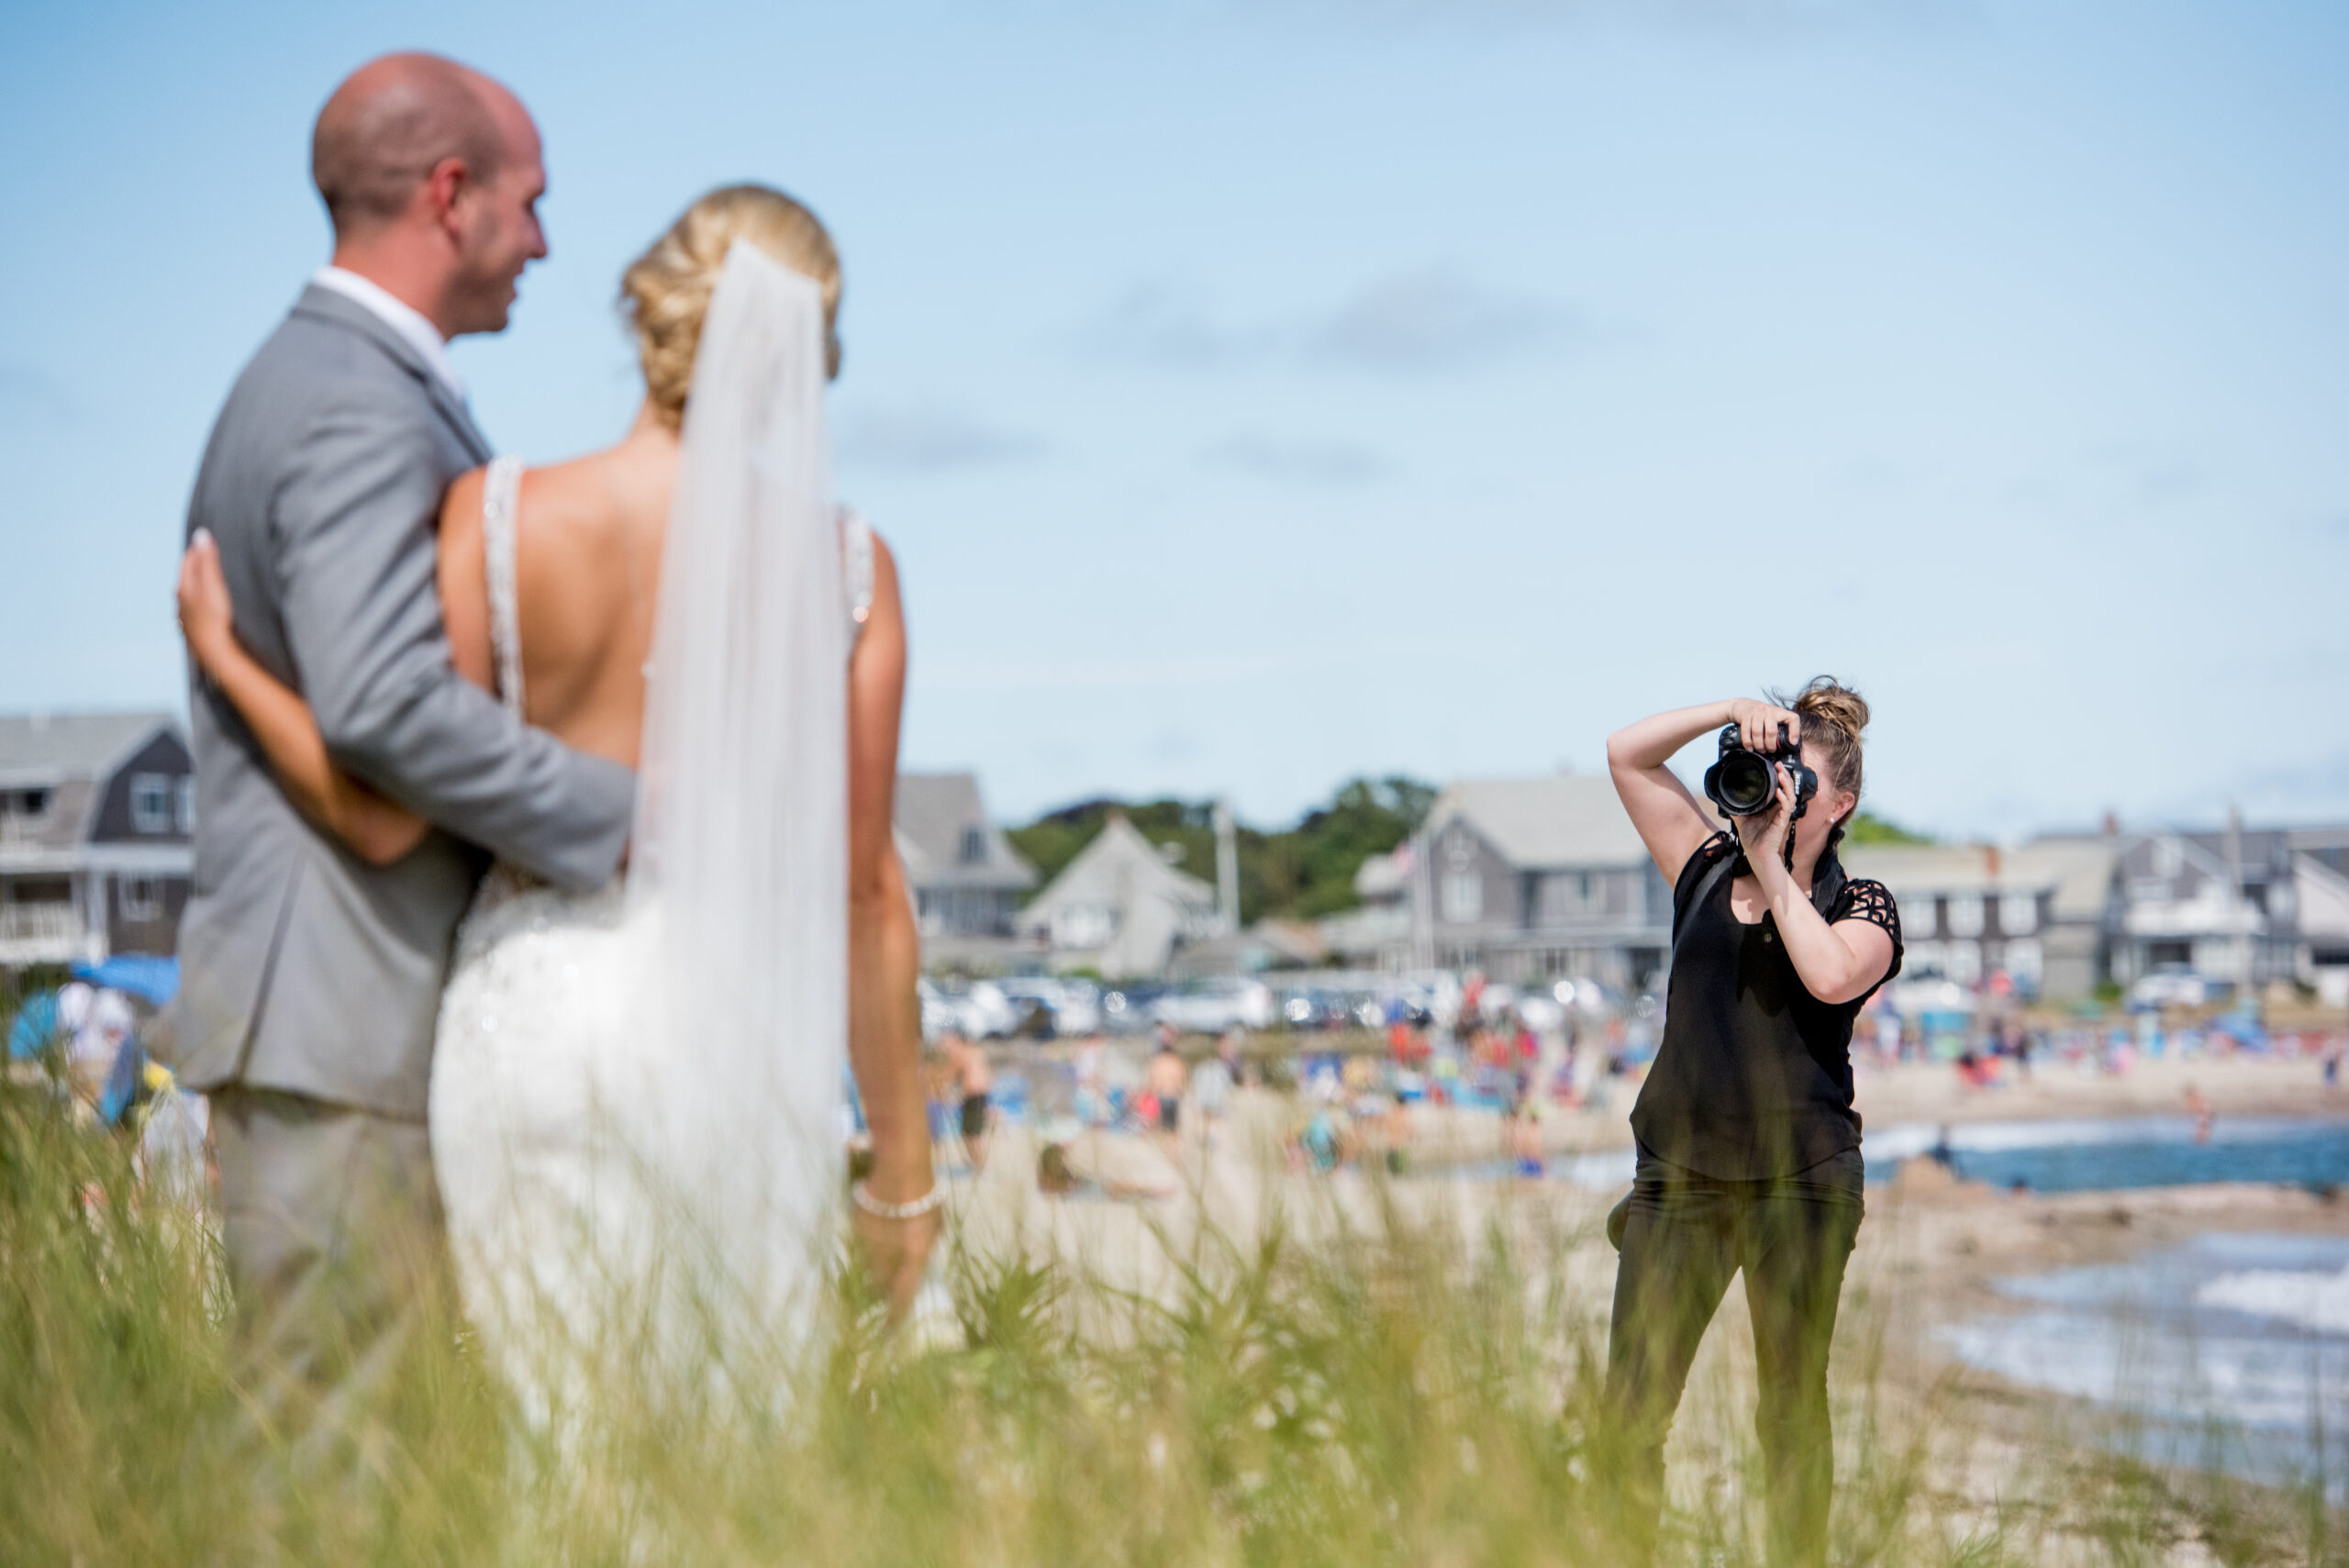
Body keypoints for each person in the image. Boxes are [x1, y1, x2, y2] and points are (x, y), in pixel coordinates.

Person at [176, 169, 937, 1417]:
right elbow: (863, 897)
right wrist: (902, 1175)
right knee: (738, 1435)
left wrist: (235, 668)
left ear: (653, 309)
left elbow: (381, 812)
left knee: (559, 1442)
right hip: (742, 1037)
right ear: (809, 349)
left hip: (538, 1031)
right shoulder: (851, 566)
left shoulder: (500, 519)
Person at [161, 53, 639, 1441]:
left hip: (335, 1009)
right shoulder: (353, 401)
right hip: (337, 1009)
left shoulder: (328, 378)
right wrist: (622, 817)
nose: (544, 242)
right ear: (450, 195)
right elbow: (381, 701)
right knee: (322, 1453)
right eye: (529, 203)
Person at [1600, 680, 1901, 1568]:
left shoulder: (1865, 906)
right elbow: (1625, 753)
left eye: (1795, 775)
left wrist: (1771, 861)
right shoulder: (1699, 867)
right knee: (1629, 1411)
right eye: (1767, 764)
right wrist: (1724, 707)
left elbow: (1827, 976)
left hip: (1800, 1184)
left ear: (1838, 801)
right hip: (1679, 1178)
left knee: (1787, 1410)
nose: (1773, 786)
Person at [941, 1029, 994, 1172]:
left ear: (958, 1041)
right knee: (972, 1133)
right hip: (981, 1095)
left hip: (973, 1096)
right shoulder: (977, 1052)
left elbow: (949, 1074)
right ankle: (977, 1164)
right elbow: (987, 1075)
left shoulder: (963, 1054)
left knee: (971, 1133)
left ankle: (978, 1165)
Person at [1145, 1032, 1189, 1150]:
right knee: (1173, 1130)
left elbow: (1152, 1082)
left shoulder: (1157, 1062)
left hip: (1161, 1097)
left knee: (1159, 1128)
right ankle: (1174, 1154)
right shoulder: (1177, 1062)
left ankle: (1164, 1153)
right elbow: (1183, 1082)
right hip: (1174, 1097)